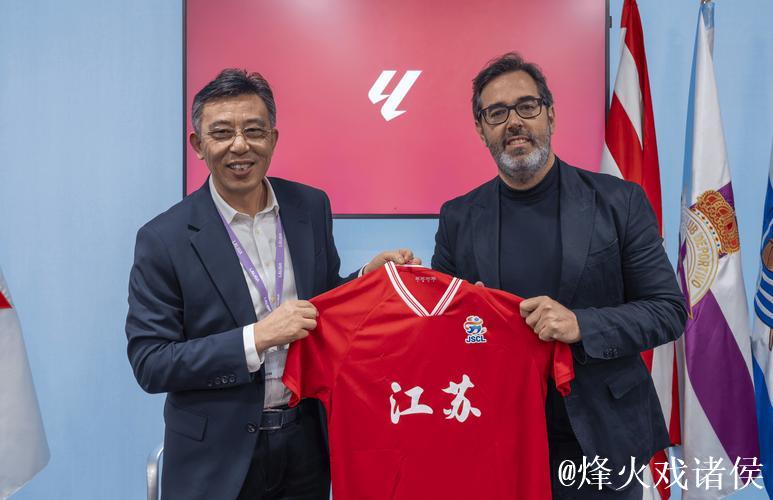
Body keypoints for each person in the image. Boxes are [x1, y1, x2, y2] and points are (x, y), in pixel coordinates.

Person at [125, 68, 417, 500]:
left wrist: (363, 279)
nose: (240, 145)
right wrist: (256, 338)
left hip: (305, 444)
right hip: (215, 458)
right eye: (222, 132)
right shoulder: (164, 238)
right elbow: (151, 362)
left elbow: (320, 301)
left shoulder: (309, 206)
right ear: (198, 145)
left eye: (253, 130)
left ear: (273, 139)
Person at [431, 52, 687, 499]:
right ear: (481, 129)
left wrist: (581, 324)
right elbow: (441, 327)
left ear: (550, 114)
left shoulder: (620, 201)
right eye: (497, 113)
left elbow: (668, 311)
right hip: (499, 433)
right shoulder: (458, 217)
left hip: (602, 437)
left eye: (526, 106)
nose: (514, 122)